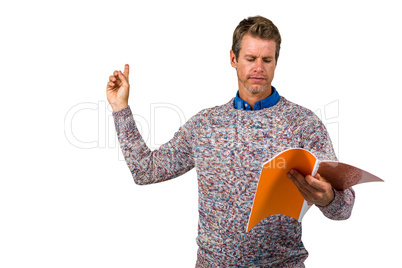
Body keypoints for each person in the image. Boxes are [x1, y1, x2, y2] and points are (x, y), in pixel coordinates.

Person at [106, 16, 355, 267]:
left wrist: (328, 198)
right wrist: (120, 108)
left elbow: (344, 209)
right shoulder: (205, 124)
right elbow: (145, 171)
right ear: (233, 59)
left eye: (267, 60)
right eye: (250, 58)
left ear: (276, 62)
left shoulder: (303, 123)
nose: (259, 67)